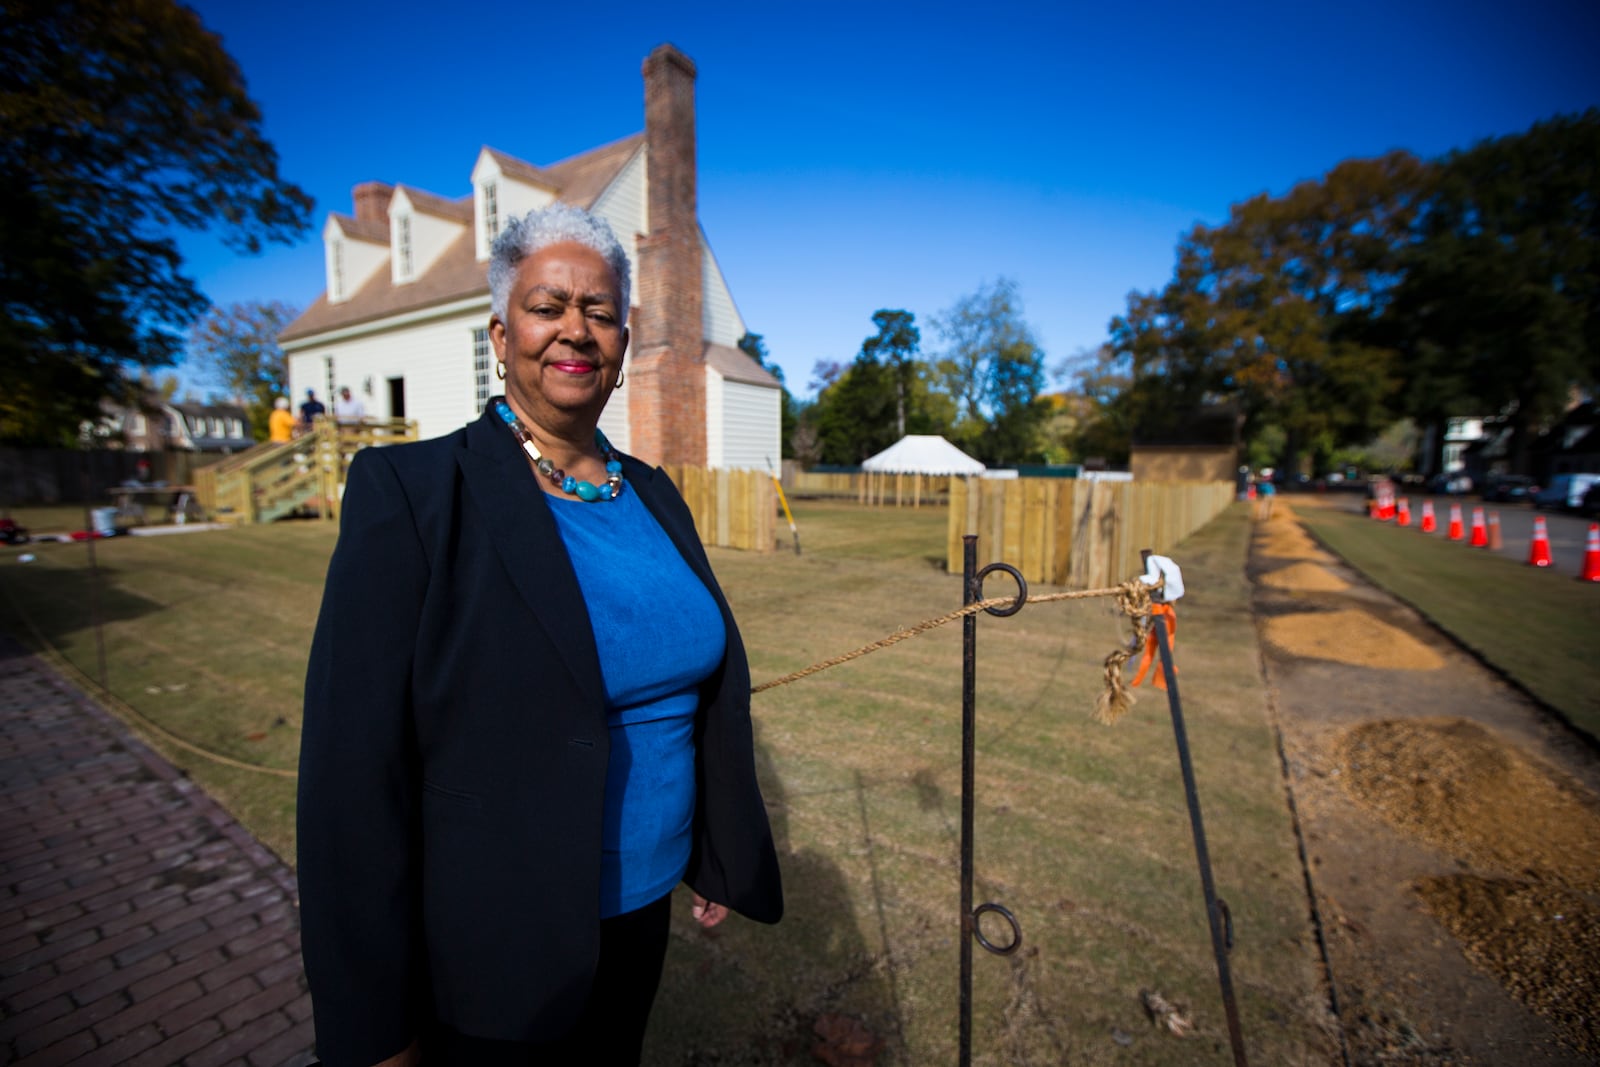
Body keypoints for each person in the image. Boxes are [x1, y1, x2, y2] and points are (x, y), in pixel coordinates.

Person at [298, 202, 783, 1067]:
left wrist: (712, 844)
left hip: (638, 914)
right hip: (495, 936)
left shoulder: (654, 494)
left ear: (624, 344)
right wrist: (374, 1027)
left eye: (600, 312)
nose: (576, 330)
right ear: (500, 332)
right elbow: (350, 776)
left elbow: (693, 687)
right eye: (548, 305)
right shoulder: (411, 492)